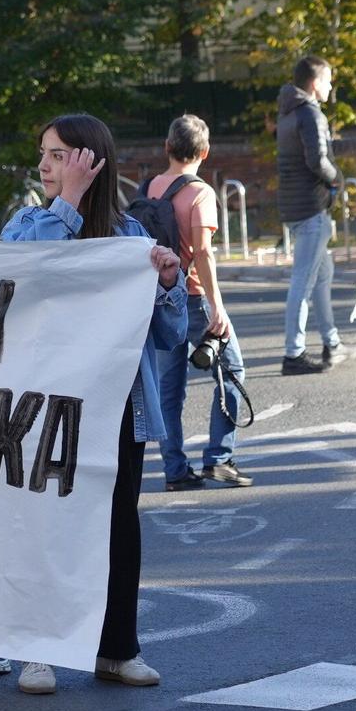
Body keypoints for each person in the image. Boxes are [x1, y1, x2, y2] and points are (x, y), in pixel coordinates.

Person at [0, 113, 186, 695]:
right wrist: (69, 203)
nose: (44, 166)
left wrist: (169, 284)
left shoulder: (131, 237)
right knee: (45, 525)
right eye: (44, 154)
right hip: (44, 405)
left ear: (89, 160)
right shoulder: (28, 223)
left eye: (57, 155)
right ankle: (38, 650)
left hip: (116, 407)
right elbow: (28, 271)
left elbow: (169, 336)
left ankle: (116, 648)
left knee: (117, 529)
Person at [146, 115, 252, 493]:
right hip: (191, 297)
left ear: (167, 147)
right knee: (233, 369)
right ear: (205, 152)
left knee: (169, 388)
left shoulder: (150, 188)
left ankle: (175, 470)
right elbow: (203, 253)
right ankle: (219, 459)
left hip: (158, 299)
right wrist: (216, 306)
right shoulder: (201, 193)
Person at [276, 55, 350, 374]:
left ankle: (332, 341)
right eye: (329, 80)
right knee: (304, 281)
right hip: (311, 206)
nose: (331, 86)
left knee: (322, 275)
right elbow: (317, 159)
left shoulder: (287, 112)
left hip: (293, 205)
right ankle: (293, 355)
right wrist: (338, 179)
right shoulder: (310, 113)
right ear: (315, 83)